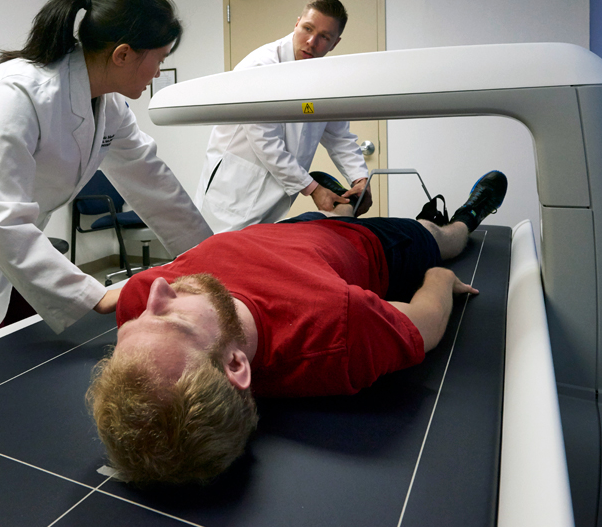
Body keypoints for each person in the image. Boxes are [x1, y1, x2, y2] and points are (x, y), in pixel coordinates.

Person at [87, 171, 508, 485]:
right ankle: (468, 215)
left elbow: (147, 312)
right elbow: (425, 327)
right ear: (235, 363)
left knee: (322, 211)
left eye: (138, 322)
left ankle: (344, 201)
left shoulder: (140, 298)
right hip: (366, 243)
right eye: (173, 318)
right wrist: (439, 280)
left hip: (282, 231)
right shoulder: (333, 329)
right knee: (438, 236)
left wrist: (154, 320)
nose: (157, 289)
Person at [0, 0, 213, 362]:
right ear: (123, 54)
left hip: (15, 260)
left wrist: (211, 259)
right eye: (159, 58)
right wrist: (94, 294)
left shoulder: (109, 108)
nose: (158, 71)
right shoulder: (17, 93)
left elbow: (154, 184)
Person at [194, 0, 372, 233]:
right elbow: (265, 141)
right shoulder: (260, 67)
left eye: (324, 37)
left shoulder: (327, 80)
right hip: (233, 191)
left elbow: (339, 137)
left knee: (256, 256)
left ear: (335, 43)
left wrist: (360, 179)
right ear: (297, 23)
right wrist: (313, 189)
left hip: (276, 193)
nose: (311, 41)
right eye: (307, 28)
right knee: (214, 257)